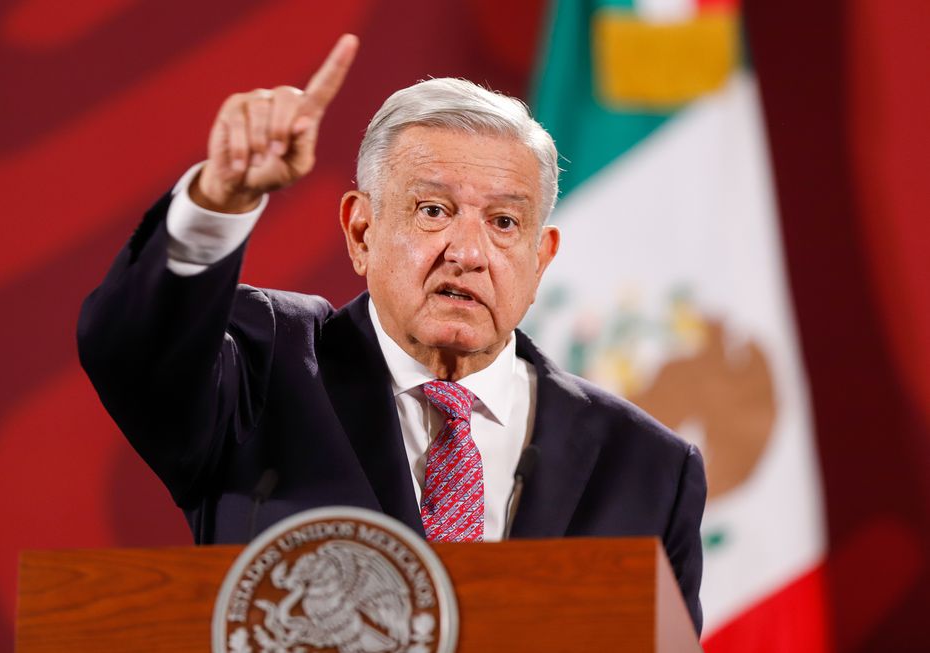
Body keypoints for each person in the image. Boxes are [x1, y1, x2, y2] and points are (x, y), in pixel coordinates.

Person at [78, 34, 706, 632]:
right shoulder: (262, 368)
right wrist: (219, 202)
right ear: (361, 231)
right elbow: (134, 352)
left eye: (503, 222)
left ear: (540, 259)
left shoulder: (648, 466)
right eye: (433, 210)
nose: (468, 253)